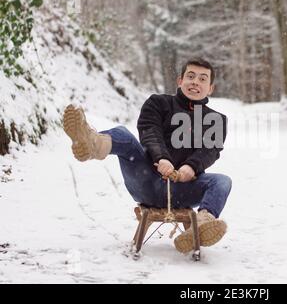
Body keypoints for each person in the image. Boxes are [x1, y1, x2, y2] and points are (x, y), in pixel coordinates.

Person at [62, 58, 232, 254]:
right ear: (179, 81)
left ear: (210, 88)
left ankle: (200, 226)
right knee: (123, 135)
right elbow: (149, 130)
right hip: (146, 180)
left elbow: (210, 150)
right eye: (190, 76)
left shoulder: (216, 120)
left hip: (183, 190)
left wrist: (191, 167)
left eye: (202, 79)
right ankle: (93, 143)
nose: (195, 82)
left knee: (222, 181)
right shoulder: (158, 103)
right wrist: (162, 158)